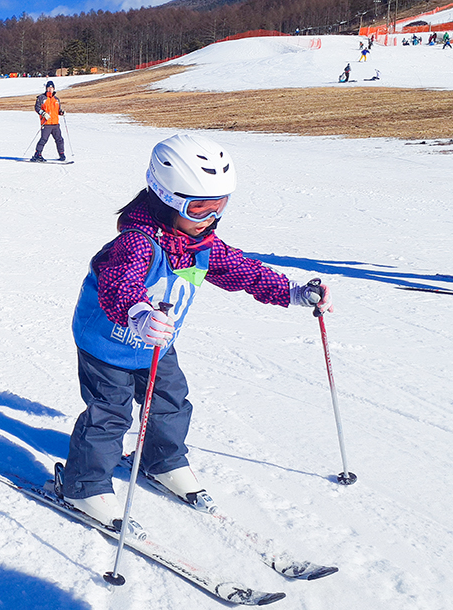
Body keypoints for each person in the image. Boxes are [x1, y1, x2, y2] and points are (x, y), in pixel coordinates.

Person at [56, 134, 334, 526]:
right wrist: (137, 313)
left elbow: (242, 271)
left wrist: (290, 292)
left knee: (171, 401)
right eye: (200, 206)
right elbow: (120, 285)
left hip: (157, 345)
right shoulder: (137, 243)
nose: (211, 217)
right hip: (108, 346)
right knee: (109, 414)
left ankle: (162, 459)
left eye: (220, 205)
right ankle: (85, 485)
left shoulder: (199, 243)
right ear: (166, 198)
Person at [30, 81, 66, 162]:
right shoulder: (41, 98)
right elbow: (37, 108)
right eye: (48, 88)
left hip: (55, 124)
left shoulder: (56, 100)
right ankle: (37, 154)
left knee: (59, 139)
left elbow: (58, 110)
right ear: (46, 89)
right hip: (46, 123)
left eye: (51, 88)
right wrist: (43, 113)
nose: (50, 89)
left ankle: (62, 154)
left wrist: (61, 112)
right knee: (43, 139)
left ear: (54, 89)